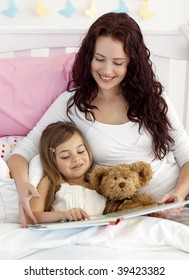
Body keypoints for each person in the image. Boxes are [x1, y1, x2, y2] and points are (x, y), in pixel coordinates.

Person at [8, 12, 189, 227]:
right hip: (124, 215)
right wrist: (22, 185)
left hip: (174, 205)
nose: (106, 70)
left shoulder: (154, 100)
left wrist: (178, 194)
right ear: (89, 57)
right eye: (100, 59)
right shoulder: (72, 104)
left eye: (118, 62)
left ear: (132, 62)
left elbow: (185, 155)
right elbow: (22, 152)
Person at [27, 121, 106, 224]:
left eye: (81, 151)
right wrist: (63, 215)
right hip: (66, 237)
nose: (76, 159)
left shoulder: (99, 181)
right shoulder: (50, 182)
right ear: (52, 161)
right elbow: (31, 216)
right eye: (65, 156)